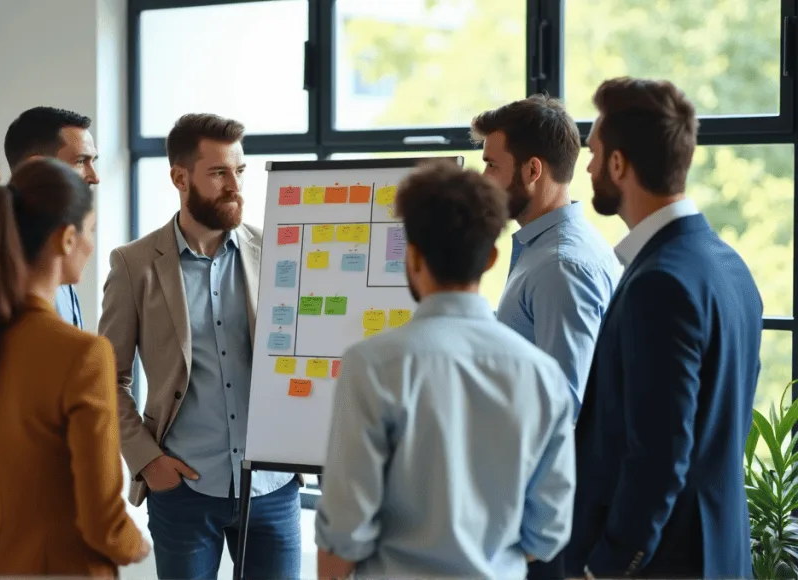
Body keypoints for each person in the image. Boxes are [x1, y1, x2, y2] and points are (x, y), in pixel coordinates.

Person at [315, 161, 576, 579]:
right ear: (491, 257)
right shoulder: (543, 375)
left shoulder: (373, 365)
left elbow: (346, 530)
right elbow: (548, 530)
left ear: (413, 256)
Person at [565, 77, 762, 579]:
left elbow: (658, 457)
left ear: (618, 164)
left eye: (594, 152)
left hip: (662, 566)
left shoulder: (661, 283)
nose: (587, 166)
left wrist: (605, 568)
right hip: (719, 555)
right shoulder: (729, 266)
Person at [97, 113, 302, 579]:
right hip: (184, 489)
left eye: (240, 171)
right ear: (180, 178)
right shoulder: (134, 265)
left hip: (271, 488)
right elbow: (106, 378)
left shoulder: (276, 252)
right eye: (219, 173)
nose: (235, 185)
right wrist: (148, 462)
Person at [0, 158, 149, 576]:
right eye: (91, 230)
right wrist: (136, 545)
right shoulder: (82, 355)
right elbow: (102, 523)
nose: (90, 243)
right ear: (67, 238)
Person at [472, 95, 620, 422]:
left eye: (492, 165)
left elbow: (563, 408)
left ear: (532, 170)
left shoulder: (560, 266)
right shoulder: (549, 251)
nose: (483, 178)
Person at [3, 106, 99, 328]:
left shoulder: (57, 246)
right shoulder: (7, 260)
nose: (95, 177)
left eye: (93, 161)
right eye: (80, 161)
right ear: (37, 166)